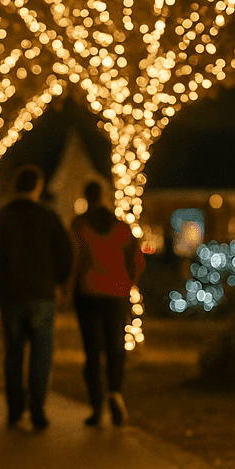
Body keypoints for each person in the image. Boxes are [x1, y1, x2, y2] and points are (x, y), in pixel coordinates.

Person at [0, 164, 73, 429]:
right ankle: (37, 409)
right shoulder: (48, 216)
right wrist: (59, 281)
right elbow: (64, 251)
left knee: (13, 351)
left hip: (11, 294)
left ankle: (14, 408)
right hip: (42, 293)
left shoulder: (3, 217)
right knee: (41, 353)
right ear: (38, 186)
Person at [69, 181, 144, 426]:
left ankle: (96, 405)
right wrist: (128, 282)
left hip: (88, 291)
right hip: (118, 292)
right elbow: (137, 259)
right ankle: (115, 392)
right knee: (115, 345)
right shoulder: (121, 227)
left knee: (92, 351)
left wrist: (67, 289)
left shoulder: (80, 226)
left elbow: (74, 260)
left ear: (86, 197)